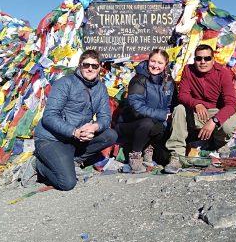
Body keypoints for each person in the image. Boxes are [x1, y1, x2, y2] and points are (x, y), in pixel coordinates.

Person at [20, 49, 117, 190]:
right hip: (52, 139)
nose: (90, 68)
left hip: (76, 138)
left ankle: (75, 160)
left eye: (94, 66)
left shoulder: (101, 88)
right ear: (79, 65)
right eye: (86, 65)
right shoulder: (64, 83)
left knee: (110, 135)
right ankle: (38, 165)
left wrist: (93, 127)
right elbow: (49, 116)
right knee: (67, 183)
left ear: (99, 68)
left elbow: (105, 117)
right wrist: (74, 132)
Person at [164, 44, 236, 174]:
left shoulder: (223, 73)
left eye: (207, 58)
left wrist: (214, 121)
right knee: (179, 109)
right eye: (199, 59)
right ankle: (177, 156)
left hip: (216, 112)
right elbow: (183, 95)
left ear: (213, 60)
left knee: (229, 123)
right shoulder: (188, 70)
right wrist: (196, 104)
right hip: (196, 112)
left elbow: (231, 104)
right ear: (195, 60)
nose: (203, 62)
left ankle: (220, 143)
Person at [116, 49, 175, 173]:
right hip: (131, 123)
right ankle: (135, 156)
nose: (155, 65)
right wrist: (163, 115)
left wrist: (169, 118)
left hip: (157, 122)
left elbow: (171, 104)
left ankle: (149, 148)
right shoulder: (139, 79)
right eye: (152, 61)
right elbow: (137, 107)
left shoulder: (169, 82)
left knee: (169, 125)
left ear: (166, 64)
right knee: (147, 123)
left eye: (160, 62)